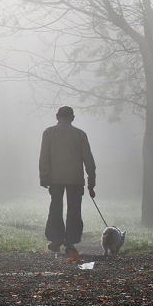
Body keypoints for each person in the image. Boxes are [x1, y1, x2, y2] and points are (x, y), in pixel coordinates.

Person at [39, 106, 96, 254]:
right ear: (72, 118)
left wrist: (44, 176)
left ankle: (56, 240)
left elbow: (44, 157)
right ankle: (70, 243)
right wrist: (91, 181)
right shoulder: (80, 134)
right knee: (74, 210)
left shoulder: (49, 133)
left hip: (55, 178)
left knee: (56, 209)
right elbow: (88, 159)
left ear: (57, 117)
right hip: (75, 179)